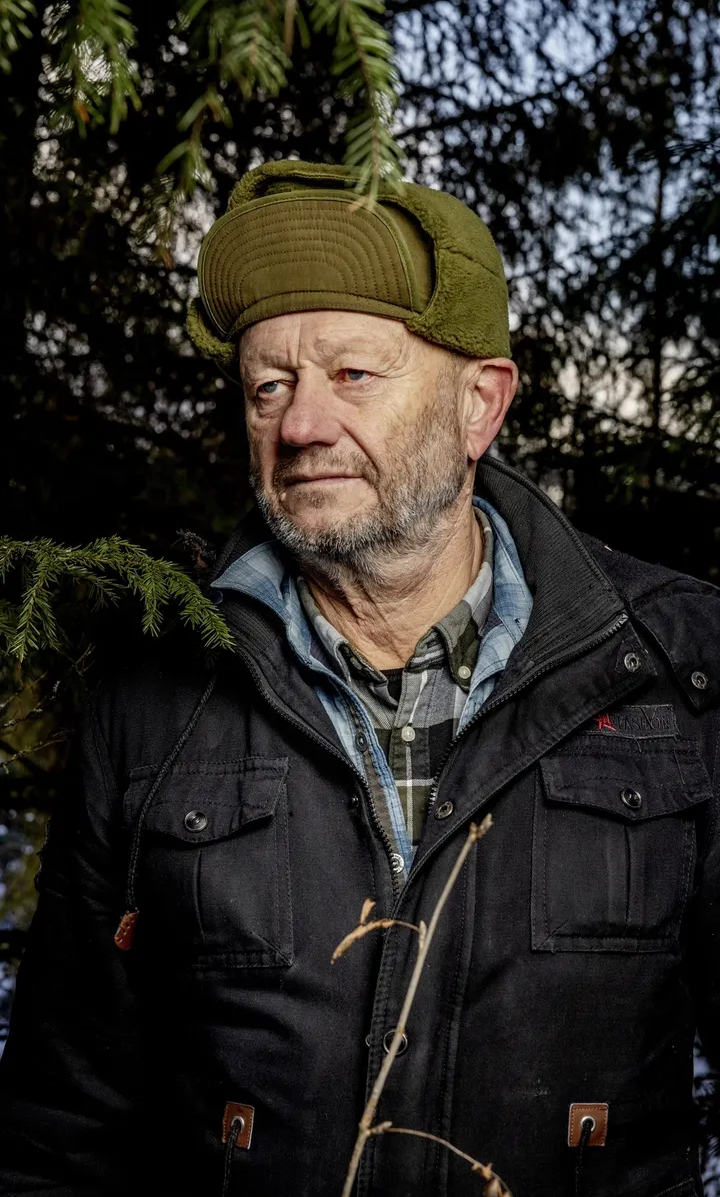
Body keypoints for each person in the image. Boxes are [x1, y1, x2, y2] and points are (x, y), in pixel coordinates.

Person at [1, 160, 719, 1197]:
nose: (299, 426)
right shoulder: (159, 692)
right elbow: (59, 1127)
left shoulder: (677, 668)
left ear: (480, 405)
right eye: (269, 385)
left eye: (352, 375)